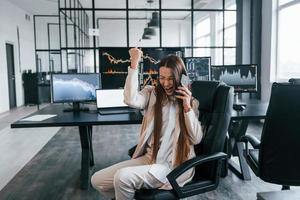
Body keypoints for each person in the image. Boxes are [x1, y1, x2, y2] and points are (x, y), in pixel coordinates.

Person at [91, 48, 203, 200]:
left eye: (171, 78)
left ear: (181, 78)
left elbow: (196, 138)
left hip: (172, 165)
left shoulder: (191, 103)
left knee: (123, 178)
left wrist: (187, 107)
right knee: (98, 180)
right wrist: (134, 64)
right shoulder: (152, 94)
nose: (166, 83)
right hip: (150, 158)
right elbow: (130, 99)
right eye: (162, 77)